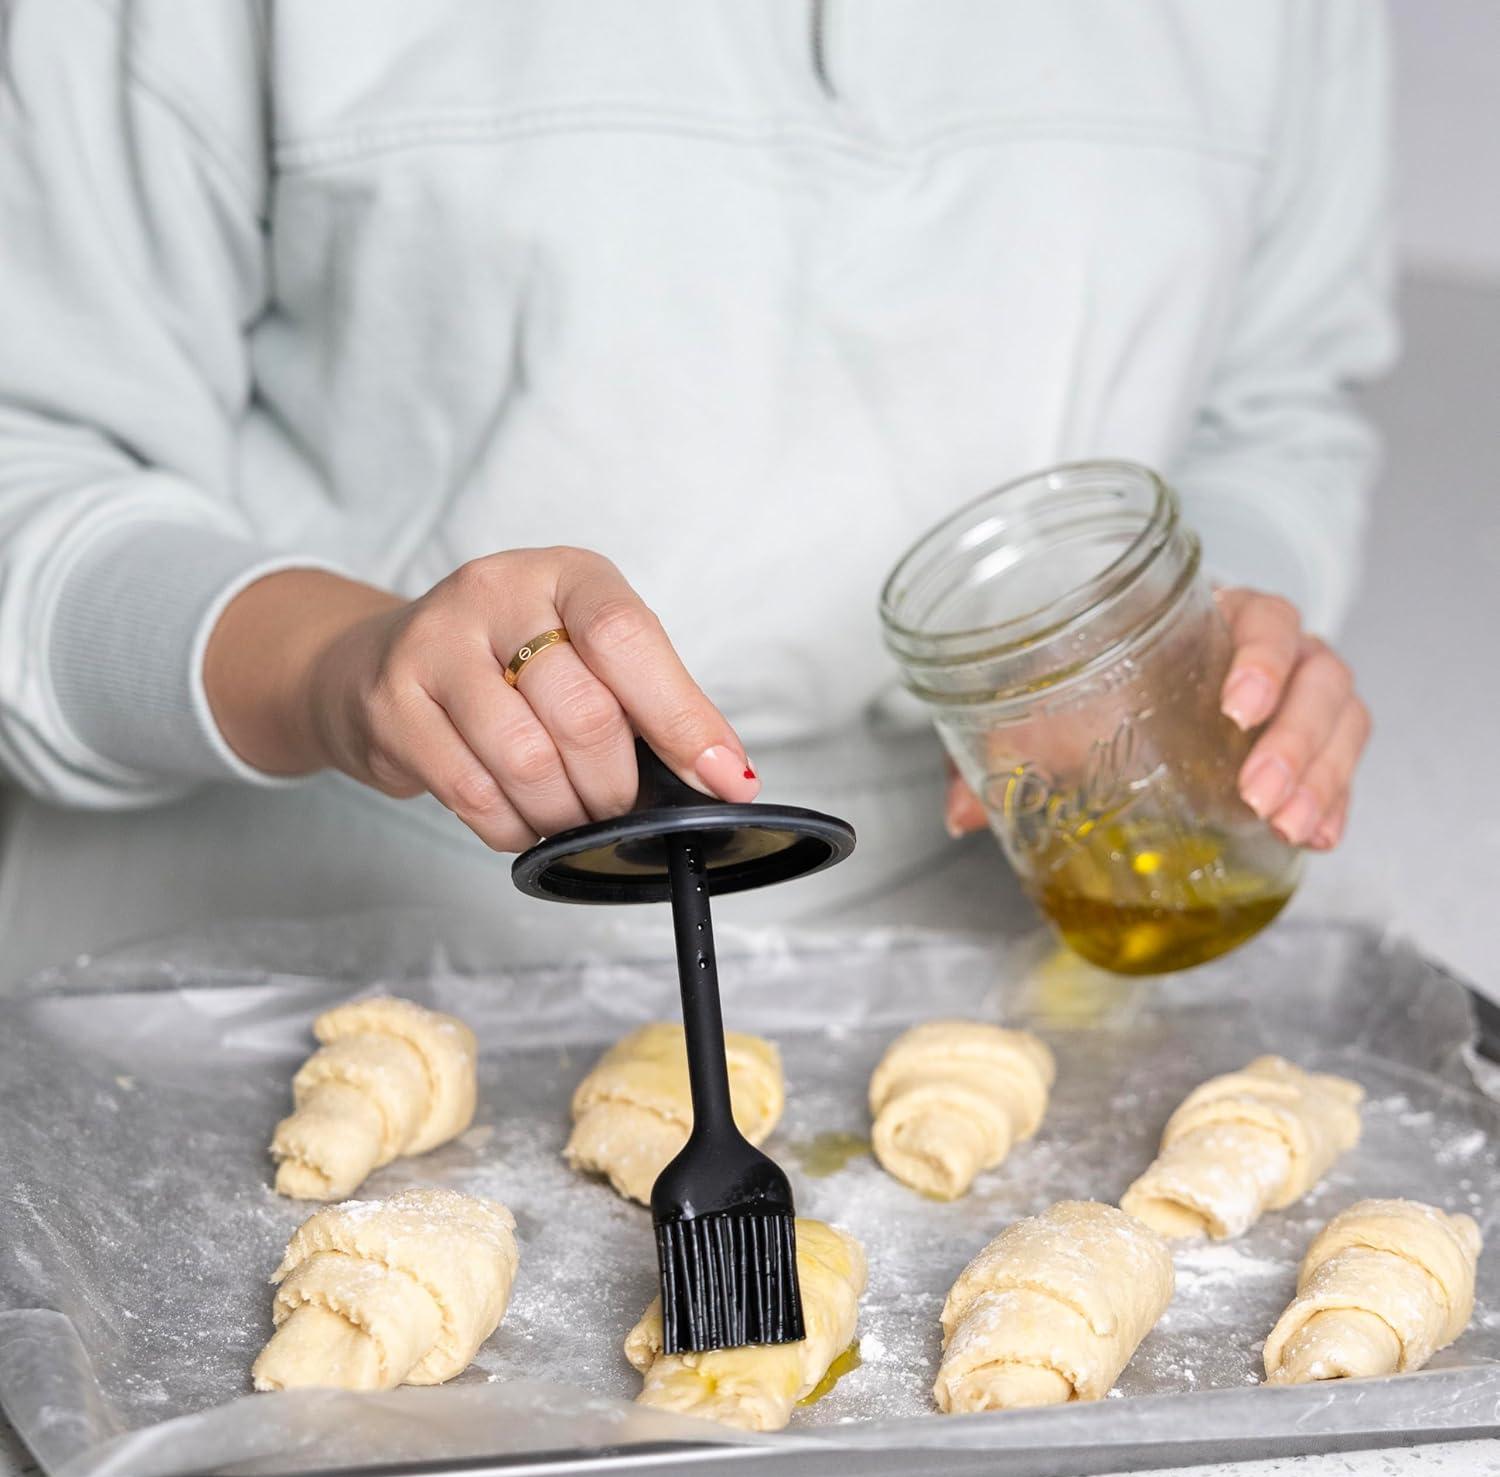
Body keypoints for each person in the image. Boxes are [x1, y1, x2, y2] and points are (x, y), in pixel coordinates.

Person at [0, 1, 1386, 986]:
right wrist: (335, 666)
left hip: (989, 972)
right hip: (271, 960)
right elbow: (32, 459)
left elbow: (1278, 403)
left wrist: (1200, 646)